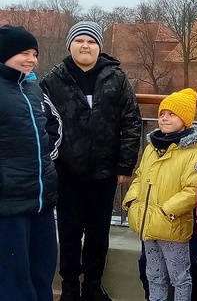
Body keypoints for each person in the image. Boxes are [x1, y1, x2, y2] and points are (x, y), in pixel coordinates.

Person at [42, 20, 142, 301]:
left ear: (99, 47)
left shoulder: (116, 78)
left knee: (99, 233)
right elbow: (44, 125)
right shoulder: (53, 80)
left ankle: (93, 285)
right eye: (80, 40)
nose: (85, 46)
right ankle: (71, 285)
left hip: (105, 170)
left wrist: (125, 164)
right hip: (66, 171)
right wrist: (51, 162)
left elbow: (131, 121)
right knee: (70, 232)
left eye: (91, 41)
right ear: (70, 45)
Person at [123, 88, 197, 301]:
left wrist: (167, 210)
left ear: (185, 119)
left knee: (179, 277)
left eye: (172, 114)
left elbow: (193, 189)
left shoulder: (191, 152)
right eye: (162, 114)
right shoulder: (153, 147)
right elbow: (141, 176)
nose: (165, 119)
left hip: (172, 226)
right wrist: (133, 200)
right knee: (154, 274)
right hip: (149, 224)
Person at [0, 25, 61, 301]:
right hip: (9, 202)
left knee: (42, 270)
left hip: (41, 199)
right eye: (24, 53)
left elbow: (51, 129)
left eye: (34, 53)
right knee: (14, 277)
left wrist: (48, 164)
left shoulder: (33, 89)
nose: (31, 59)